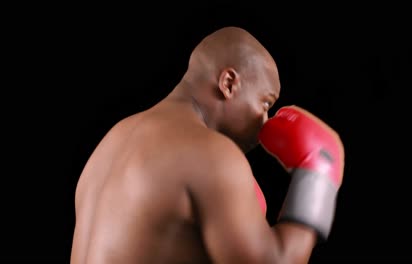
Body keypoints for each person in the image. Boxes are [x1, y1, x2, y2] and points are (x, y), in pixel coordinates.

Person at [70, 26, 345, 263]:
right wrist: (318, 173)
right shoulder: (210, 153)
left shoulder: (113, 140)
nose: (264, 121)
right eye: (265, 103)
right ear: (229, 83)